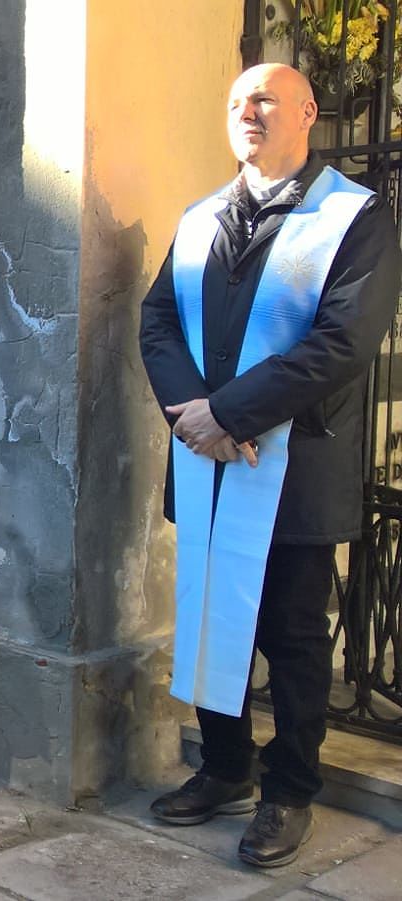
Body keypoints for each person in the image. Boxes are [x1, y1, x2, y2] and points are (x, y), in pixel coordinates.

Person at [139, 63, 400, 869]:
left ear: (308, 113)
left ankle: (290, 788)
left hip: (295, 460)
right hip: (209, 455)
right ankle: (225, 767)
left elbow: (344, 342)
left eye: (264, 100)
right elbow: (157, 322)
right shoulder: (202, 215)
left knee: (290, 634)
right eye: (234, 103)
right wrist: (195, 416)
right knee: (215, 610)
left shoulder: (357, 218)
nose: (246, 112)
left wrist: (231, 414)